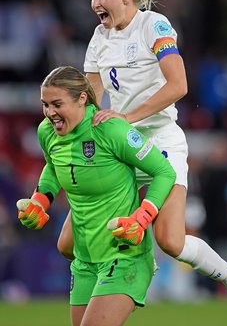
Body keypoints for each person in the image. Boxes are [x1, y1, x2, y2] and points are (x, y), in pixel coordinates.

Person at [58, 0, 227, 325]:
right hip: (118, 147)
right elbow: (92, 99)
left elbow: (179, 84)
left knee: (171, 240)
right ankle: (129, 263)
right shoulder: (99, 38)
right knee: (68, 243)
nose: (94, 3)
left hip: (158, 141)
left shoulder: (154, 25)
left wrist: (125, 116)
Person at [16, 66, 176, 326]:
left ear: (82, 98)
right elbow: (54, 168)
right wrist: (40, 201)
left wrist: (143, 217)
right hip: (84, 260)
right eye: (45, 104)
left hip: (124, 255)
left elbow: (164, 172)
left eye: (57, 104)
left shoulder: (110, 130)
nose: (50, 113)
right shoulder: (47, 131)